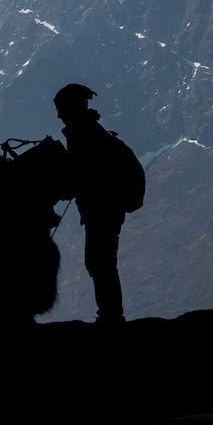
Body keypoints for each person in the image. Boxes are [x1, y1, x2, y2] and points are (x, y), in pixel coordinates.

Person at [53, 83, 139, 324]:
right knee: (101, 261)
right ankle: (111, 314)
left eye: (60, 109)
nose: (58, 115)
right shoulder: (90, 133)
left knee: (99, 262)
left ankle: (111, 316)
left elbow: (83, 175)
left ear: (70, 108)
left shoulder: (84, 137)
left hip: (101, 210)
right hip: (104, 209)